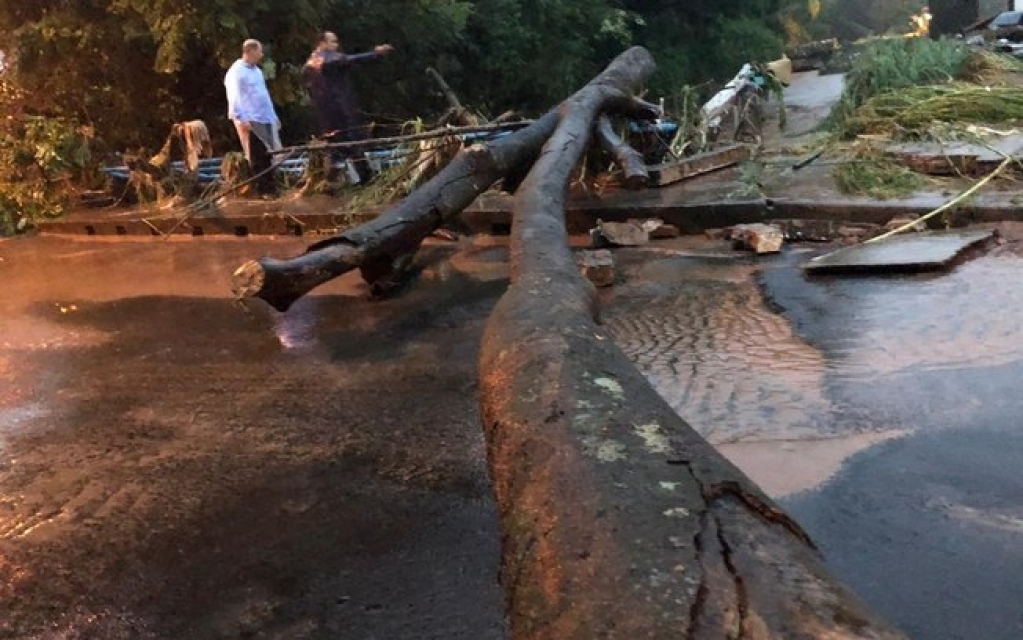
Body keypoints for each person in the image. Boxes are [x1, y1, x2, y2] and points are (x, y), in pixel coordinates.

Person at [302, 31, 393, 182]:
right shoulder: (328, 58)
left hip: (325, 114)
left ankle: (334, 182)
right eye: (333, 42)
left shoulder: (309, 63)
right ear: (322, 43)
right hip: (340, 110)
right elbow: (351, 59)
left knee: (338, 148)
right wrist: (376, 53)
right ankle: (361, 179)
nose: (336, 45)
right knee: (350, 144)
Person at [224, 39, 281, 198]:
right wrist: (242, 118)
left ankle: (272, 187)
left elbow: (264, 95)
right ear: (250, 51)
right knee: (257, 156)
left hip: (264, 117)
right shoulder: (236, 72)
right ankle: (263, 190)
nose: (261, 55)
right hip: (250, 119)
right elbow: (234, 97)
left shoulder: (256, 71)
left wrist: (273, 116)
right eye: (259, 51)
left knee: (269, 154)